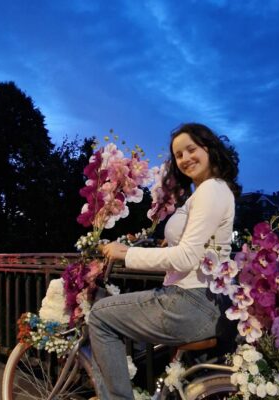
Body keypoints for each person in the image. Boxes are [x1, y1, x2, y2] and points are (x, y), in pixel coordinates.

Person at [89, 122, 241, 399]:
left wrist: (126, 253)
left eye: (191, 149)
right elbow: (195, 246)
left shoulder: (211, 190)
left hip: (190, 302)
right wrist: (162, 242)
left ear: (209, 149)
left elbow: (186, 256)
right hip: (204, 301)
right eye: (179, 155)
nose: (185, 159)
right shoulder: (211, 191)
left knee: (99, 315)